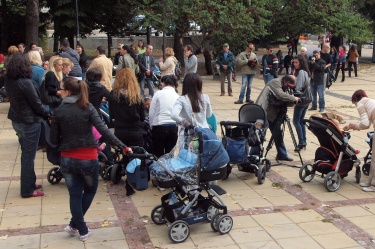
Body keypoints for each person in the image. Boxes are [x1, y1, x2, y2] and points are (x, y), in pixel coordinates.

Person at [50, 77, 129, 241]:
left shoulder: (58, 111)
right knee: (90, 191)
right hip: (88, 157)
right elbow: (104, 130)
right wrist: (123, 147)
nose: (58, 91)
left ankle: (74, 225)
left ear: (69, 92)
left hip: (67, 158)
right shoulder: (87, 107)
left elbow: (53, 140)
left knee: (75, 195)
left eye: (61, 89)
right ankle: (82, 229)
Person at [4, 53, 50, 198]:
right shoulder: (25, 83)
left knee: (26, 153)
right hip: (29, 122)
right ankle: (27, 189)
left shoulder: (9, 80)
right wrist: (48, 115)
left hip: (17, 120)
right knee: (28, 157)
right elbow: (36, 104)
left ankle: (30, 182)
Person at [108, 68, 145, 196]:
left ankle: (127, 180)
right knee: (135, 156)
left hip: (120, 130)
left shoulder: (113, 95)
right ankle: (133, 181)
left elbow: (111, 114)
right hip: (134, 129)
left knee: (124, 154)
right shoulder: (136, 94)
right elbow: (142, 116)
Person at [255, 75, 299, 161]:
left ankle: (282, 154)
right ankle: (254, 156)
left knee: (278, 134)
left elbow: (286, 101)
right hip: (264, 111)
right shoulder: (275, 83)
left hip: (274, 113)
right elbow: (281, 96)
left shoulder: (284, 86)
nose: (290, 87)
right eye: (290, 85)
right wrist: (294, 98)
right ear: (286, 81)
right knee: (259, 134)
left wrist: (294, 100)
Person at [343, 90, 375, 191]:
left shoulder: (361, 103)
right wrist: (353, 126)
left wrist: (353, 126)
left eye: (354, 103)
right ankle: (370, 182)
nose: (356, 106)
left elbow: (365, 124)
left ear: (356, 99)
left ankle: (373, 185)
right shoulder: (370, 101)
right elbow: (367, 123)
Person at [171, 73, 212, 137]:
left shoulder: (182, 99)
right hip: (204, 133)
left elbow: (174, 115)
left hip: (188, 134)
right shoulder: (205, 97)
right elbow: (209, 115)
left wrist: (184, 121)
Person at [149, 75, 179, 157]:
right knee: (170, 154)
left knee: (158, 153)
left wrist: (151, 125)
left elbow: (152, 112)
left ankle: (158, 169)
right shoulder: (177, 96)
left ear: (163, 83)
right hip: (173, 127)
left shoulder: (158, 94)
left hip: (159, 126)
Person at [292, 55, 311, 151]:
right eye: (294, 62)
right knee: (301, 121)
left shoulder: (301, 73)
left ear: (301, 62)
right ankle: (303, 141)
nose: (295, 64)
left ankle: (301, 142)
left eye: (296, 62)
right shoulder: (306, 72)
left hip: (302, 99)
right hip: (307, 99)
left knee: (296, 121)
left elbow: (298, 88)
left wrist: (293, 91)